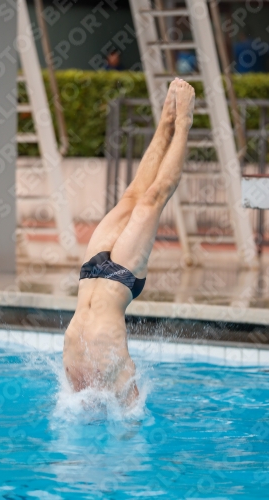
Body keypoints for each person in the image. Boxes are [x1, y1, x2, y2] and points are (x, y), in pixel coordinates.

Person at [63, 79, 195, 406]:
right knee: (148, 198)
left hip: (92, 277)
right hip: (117, 280)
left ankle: (171, 122)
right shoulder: (121, 385)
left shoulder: (96, 390)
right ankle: (178, 123)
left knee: (136, 197)